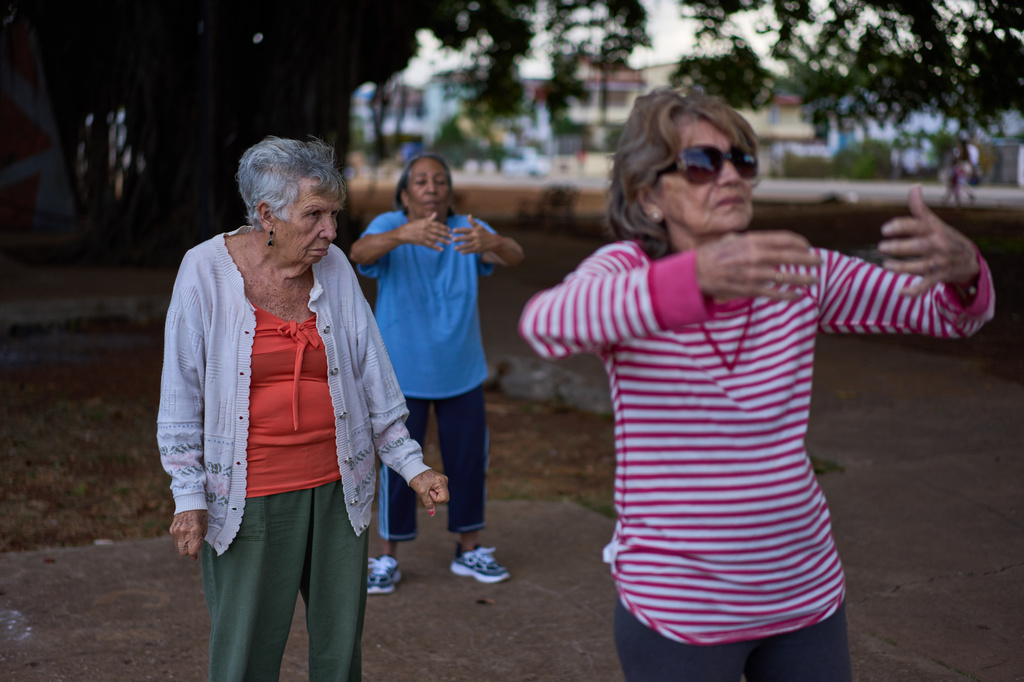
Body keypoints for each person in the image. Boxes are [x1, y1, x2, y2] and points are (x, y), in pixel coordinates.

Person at [518, 89, 993, 682]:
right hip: (679, 609)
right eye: (700, 163)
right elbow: (546, 324)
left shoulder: (792, 271)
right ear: (648, 195)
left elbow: (947, 315)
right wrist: (692, 278)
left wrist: (966, 269)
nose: (730, 175)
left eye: (741, 160)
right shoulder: (626, 273)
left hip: (804, 596)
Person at [158, 136, 450, 681]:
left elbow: (373, 379)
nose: (331, 232)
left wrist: (413, 466)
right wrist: (189, 496)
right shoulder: (203, 271)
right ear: (267, 214)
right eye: (315, 215)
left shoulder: (335, 266)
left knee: (340, 657)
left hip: (341, 491)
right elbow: (180, 397)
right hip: (250, 498)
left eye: (334, 215)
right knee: (244, 656)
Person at [349, 152, 525, 594]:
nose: (432, 187)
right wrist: (402, 235)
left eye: (440, 180)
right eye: (421, 181)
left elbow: (516, 255)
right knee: (397, 466)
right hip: (401, 376)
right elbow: (357, 253)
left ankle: (470, 550)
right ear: (405, 195)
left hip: (461, 372)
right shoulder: (390, 225)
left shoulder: (468, 229)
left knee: (468, 462)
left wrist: (494, 244)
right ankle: (386, 557)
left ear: (449, 191)